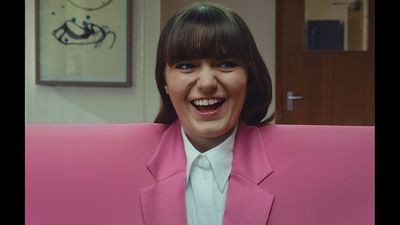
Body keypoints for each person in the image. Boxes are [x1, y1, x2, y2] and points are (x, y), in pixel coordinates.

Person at [149, 2, 273, 225]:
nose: (206, 83)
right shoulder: (122, 167)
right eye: (186, 66)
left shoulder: (296, 167)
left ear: (250, 78)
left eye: (226, 64)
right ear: (164, 83)